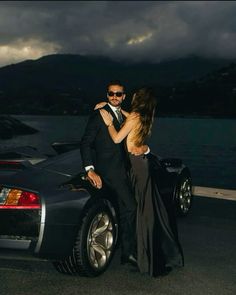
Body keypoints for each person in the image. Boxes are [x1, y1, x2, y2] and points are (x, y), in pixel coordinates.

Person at [99, 87, 184, 277]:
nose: (133, 95)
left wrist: (108, 122)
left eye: (136, 94)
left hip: (136, 167)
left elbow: (117, 138)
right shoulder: (144, 117)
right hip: (142, 165)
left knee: (143, 211)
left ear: (139, 98)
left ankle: (146, 256)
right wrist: (116, 110)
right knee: (146, 208)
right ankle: (145, 252)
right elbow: (133, 124)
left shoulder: (135, 116)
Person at [80, 80, 142, 266]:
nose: (114, 97)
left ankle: (125, 249)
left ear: (124, 96)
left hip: (123, 170)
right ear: (107, 94)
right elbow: (85, 143)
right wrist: (90, 170)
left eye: (118, 94)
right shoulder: (99, 115)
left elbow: (131, 121)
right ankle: (127, 252)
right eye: (110, 94)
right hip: (109, 171)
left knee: (125, 209)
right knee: (131, 207)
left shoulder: (124, 116)